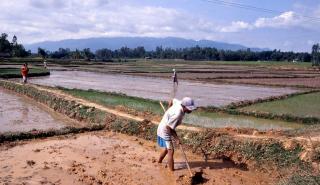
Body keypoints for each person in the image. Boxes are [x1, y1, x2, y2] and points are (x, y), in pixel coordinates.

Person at [157, 97, 196, 171]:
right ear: (184, 106)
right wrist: (177, 138)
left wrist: (168, 110)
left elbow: (171, 100)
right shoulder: (177, 114)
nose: (191, 110)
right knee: (171, 151)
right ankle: (171, 171)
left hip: (165, 126)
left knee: (166, 149)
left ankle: (159, 162)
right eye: (189, 108)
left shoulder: (179, 102)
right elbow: (169, 128)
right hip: (165, 130)